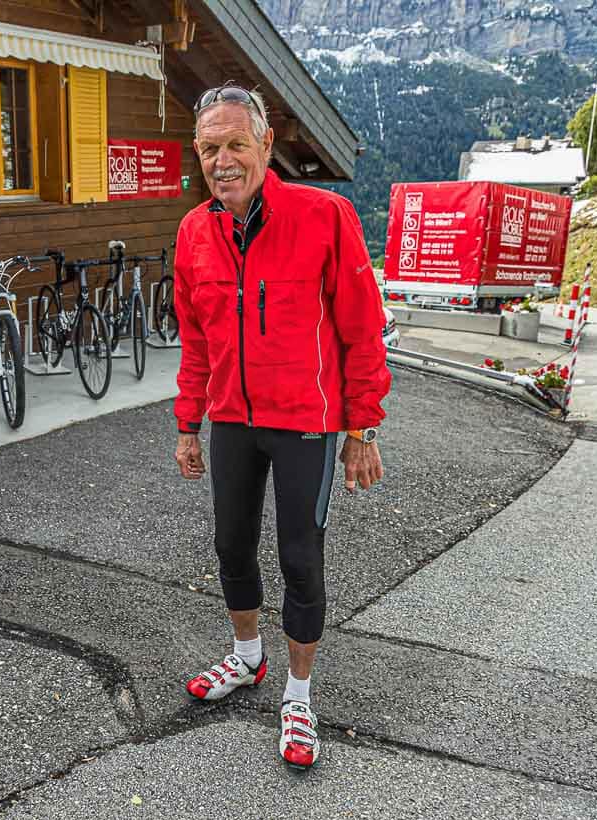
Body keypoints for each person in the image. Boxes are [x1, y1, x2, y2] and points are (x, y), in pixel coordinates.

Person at [172, 82, 391, 770]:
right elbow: (197, 341)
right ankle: (247, 658)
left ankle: (299, 693)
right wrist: (188, 424)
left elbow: (362, 328)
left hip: (308, 423)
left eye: (236, 143)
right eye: (210, 147)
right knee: (231, 548)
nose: (223, 159)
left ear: (267, 145)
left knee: (300, 558)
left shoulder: (325, 215)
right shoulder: (192, 231)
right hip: (233, 418)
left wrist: (362, 428)